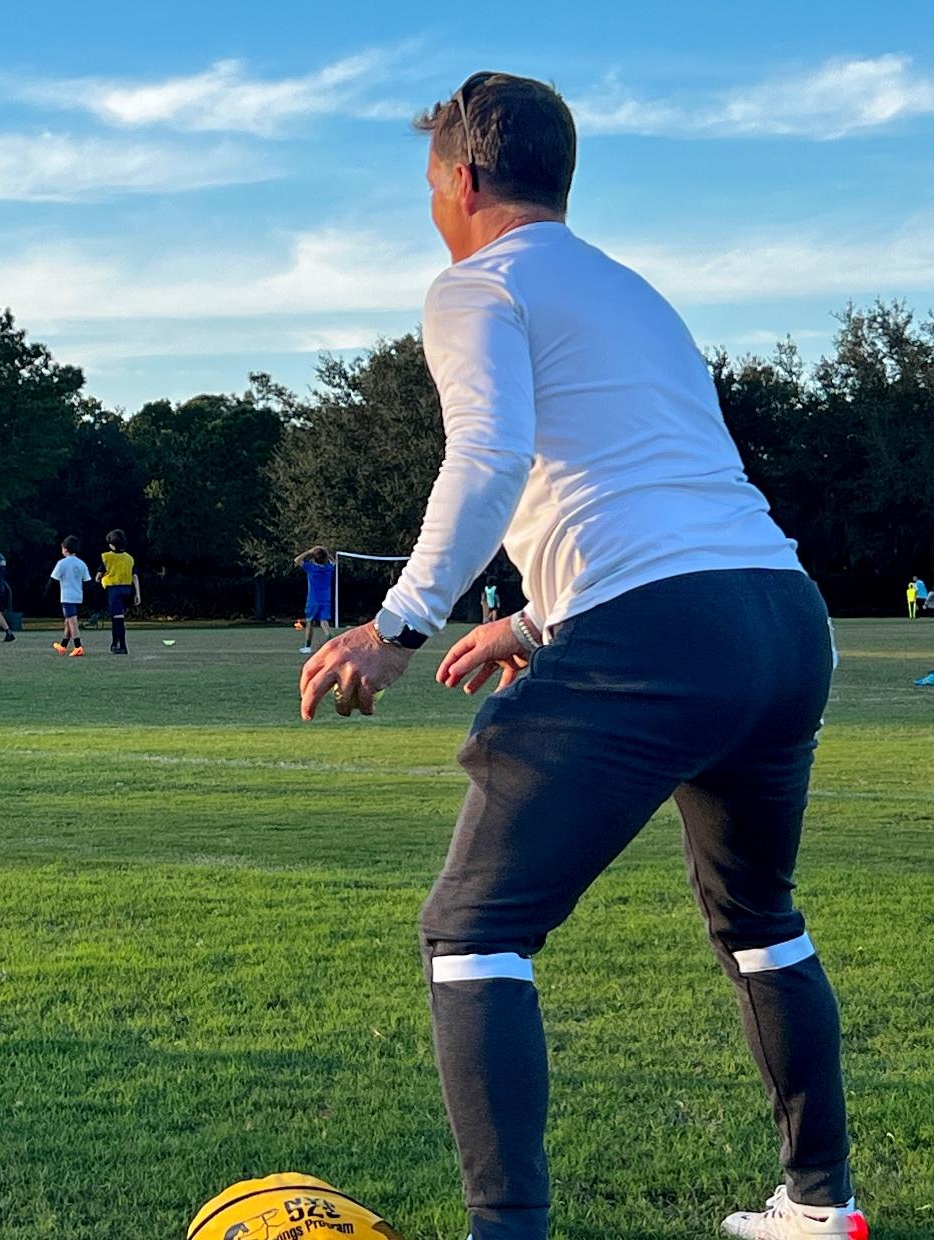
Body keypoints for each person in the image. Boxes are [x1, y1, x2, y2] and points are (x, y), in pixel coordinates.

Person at [299, 73, 858, 1240]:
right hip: (778, 617)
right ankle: (817, 1205)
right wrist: (528, 621)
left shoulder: (475, 284)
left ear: (459, 179)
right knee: (759, 918)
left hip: (661, 632)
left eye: (428, 186)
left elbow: (489, 454)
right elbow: (653, 493)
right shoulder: (631, 292)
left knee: (472, 931)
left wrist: (396, 625)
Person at [97, 529, 141, 654]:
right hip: (127, 589)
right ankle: (114, 644)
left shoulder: (106, 557)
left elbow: (99, 575)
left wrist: (99, 580)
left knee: (118, 619)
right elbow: (135, 576)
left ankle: (122, 645)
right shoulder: (129, 558)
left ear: (111, 544)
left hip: (113, 589)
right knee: (116, 617)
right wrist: (138, 593)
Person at [49, 534, 90, 656]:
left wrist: (46, 595)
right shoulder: (81, 563)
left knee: (72, 620)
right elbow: (87, 580)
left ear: (65, 549)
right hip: (78, 595)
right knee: (68, 621)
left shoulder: (62, 563)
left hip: (67, 596)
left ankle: (78, 646)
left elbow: (53, 579)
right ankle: (63, 646)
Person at [294, 546, 335, 654]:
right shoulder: (328, 568)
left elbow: (297, 560)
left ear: (314, 558)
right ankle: (329, 635)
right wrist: (325, 551)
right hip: (325, 599)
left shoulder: (311, 568)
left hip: (313, 599)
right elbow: (334, 561)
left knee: (310, 622)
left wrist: (309, 551)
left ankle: (307, 646)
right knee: (324, 621)